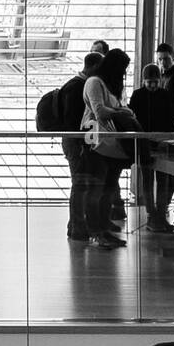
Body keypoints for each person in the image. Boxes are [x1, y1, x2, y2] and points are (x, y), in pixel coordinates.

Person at [80, 47, 135, 250]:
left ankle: (103, 229)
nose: (123, 73)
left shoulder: (109, 86)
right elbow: (99, 111)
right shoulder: (94, 83)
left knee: (108, 189)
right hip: (95, 141)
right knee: (96, 190)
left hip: (109, 144)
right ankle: (95, 231)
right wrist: (122, 114)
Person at [129, 64, 174, 233]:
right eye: (149, 82)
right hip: (147, 143)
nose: (152, 85)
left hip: (159, 142)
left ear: (159, 81)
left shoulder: (159, 95)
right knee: (150, 179)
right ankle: (152, 214)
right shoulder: (139, 95)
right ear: (143, 81)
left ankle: (160, 212)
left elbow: (170, 118)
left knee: (161, 180)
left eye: (155, 82)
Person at [60, 51, 104, 242]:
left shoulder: (75, 84)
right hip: (76, 141)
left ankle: (76, 225)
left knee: (80, 183)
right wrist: (81, 143)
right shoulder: (78, 87)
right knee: (80, 183)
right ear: (94, 67)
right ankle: (78, 226)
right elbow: (73, 119)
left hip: (76, 140)